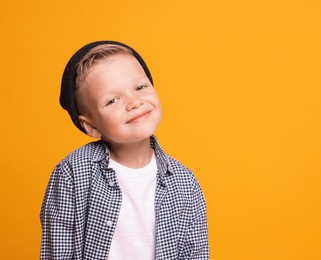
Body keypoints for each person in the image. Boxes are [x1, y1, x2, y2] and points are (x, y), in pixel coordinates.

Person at [40, 40, 209, 260]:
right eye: (112, 100)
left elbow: (195, 254)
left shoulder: (185, 182)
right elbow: (58, 253)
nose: (134, 102)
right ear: (91, 126)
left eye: (140, 87)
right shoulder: (73, 173)